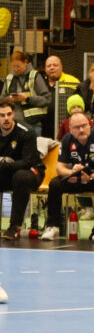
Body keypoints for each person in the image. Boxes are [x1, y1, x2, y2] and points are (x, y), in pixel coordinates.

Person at [40, 112, 94, 243]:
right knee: (55, 183)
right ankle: (53, 226)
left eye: (84, 125)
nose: (81, 130)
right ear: (70, 129)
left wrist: (90, 177)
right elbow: (59, 168)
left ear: (89, 125)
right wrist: (71, 172)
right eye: (77, 127)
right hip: (78, 178)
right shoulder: (67, 139)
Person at [0, 98, 44, 240]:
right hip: (7, 173)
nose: (6, 118)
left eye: (9, 114)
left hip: (31, 172)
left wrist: (3, 165)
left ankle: (14, 227)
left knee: (20, 177)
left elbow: (27, 162)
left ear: (13, 114)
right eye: (2, 115)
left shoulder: (26, 132)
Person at [0, 51, 52, 136]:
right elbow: (2, 100)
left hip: (33, 123)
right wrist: (9, 99)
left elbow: (46, 99)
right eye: (13, 66)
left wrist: (27, 99)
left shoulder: (34, 76)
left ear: (25, 62)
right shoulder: (9, 78)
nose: (16, 69)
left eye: (18, 66)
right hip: (13, 124)